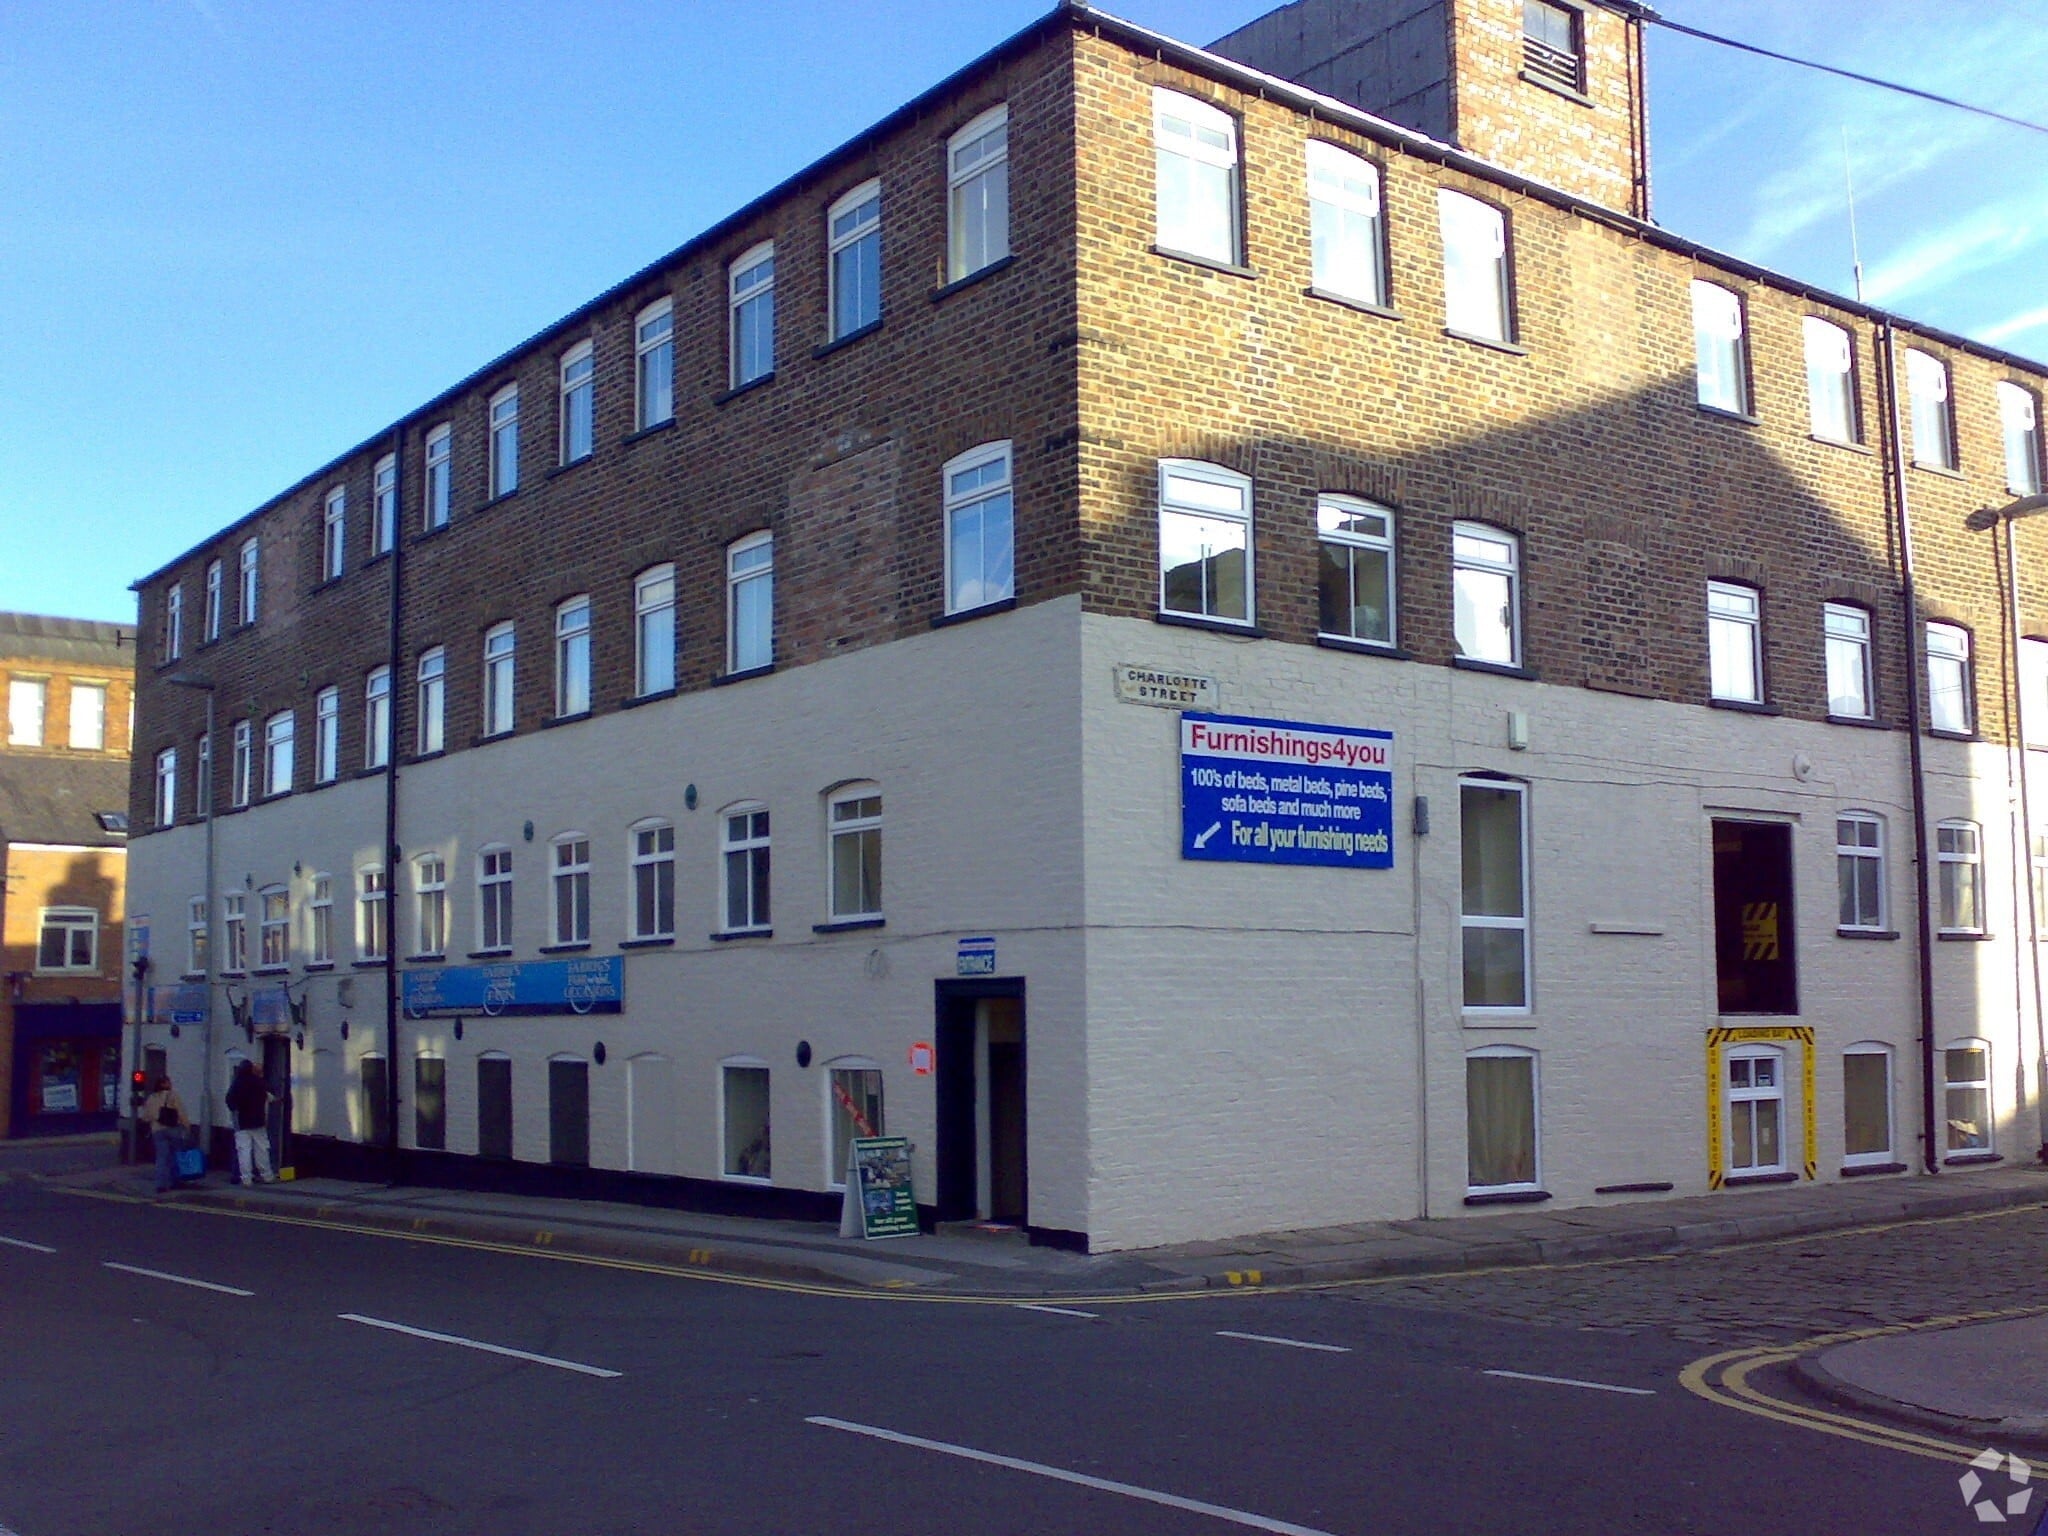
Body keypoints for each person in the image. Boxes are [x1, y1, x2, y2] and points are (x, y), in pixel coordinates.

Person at [225, 1059, 276, 1185]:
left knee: (244, 1150)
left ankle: (246, 1178)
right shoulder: (259, 1082)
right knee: (262, 1149)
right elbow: (269, 1096)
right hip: (258, 1120)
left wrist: (235, 1109)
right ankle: (267, 1175)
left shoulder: (237, 1083)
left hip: (242, 1121)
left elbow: (229, 1099)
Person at [139, 1074, 189, 1194]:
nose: (170, 1084)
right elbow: (181, 1112)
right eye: (168, 1082)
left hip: (157, 1130)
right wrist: (187, 1126)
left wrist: (155, 1118)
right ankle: (175, 1181)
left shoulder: (151, 1098)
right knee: (175, 1156)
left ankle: (160, 1184)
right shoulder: (173, 1095)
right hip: (173, 1129)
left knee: (161, 1158)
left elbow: (145, 1117)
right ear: (164, 1084)